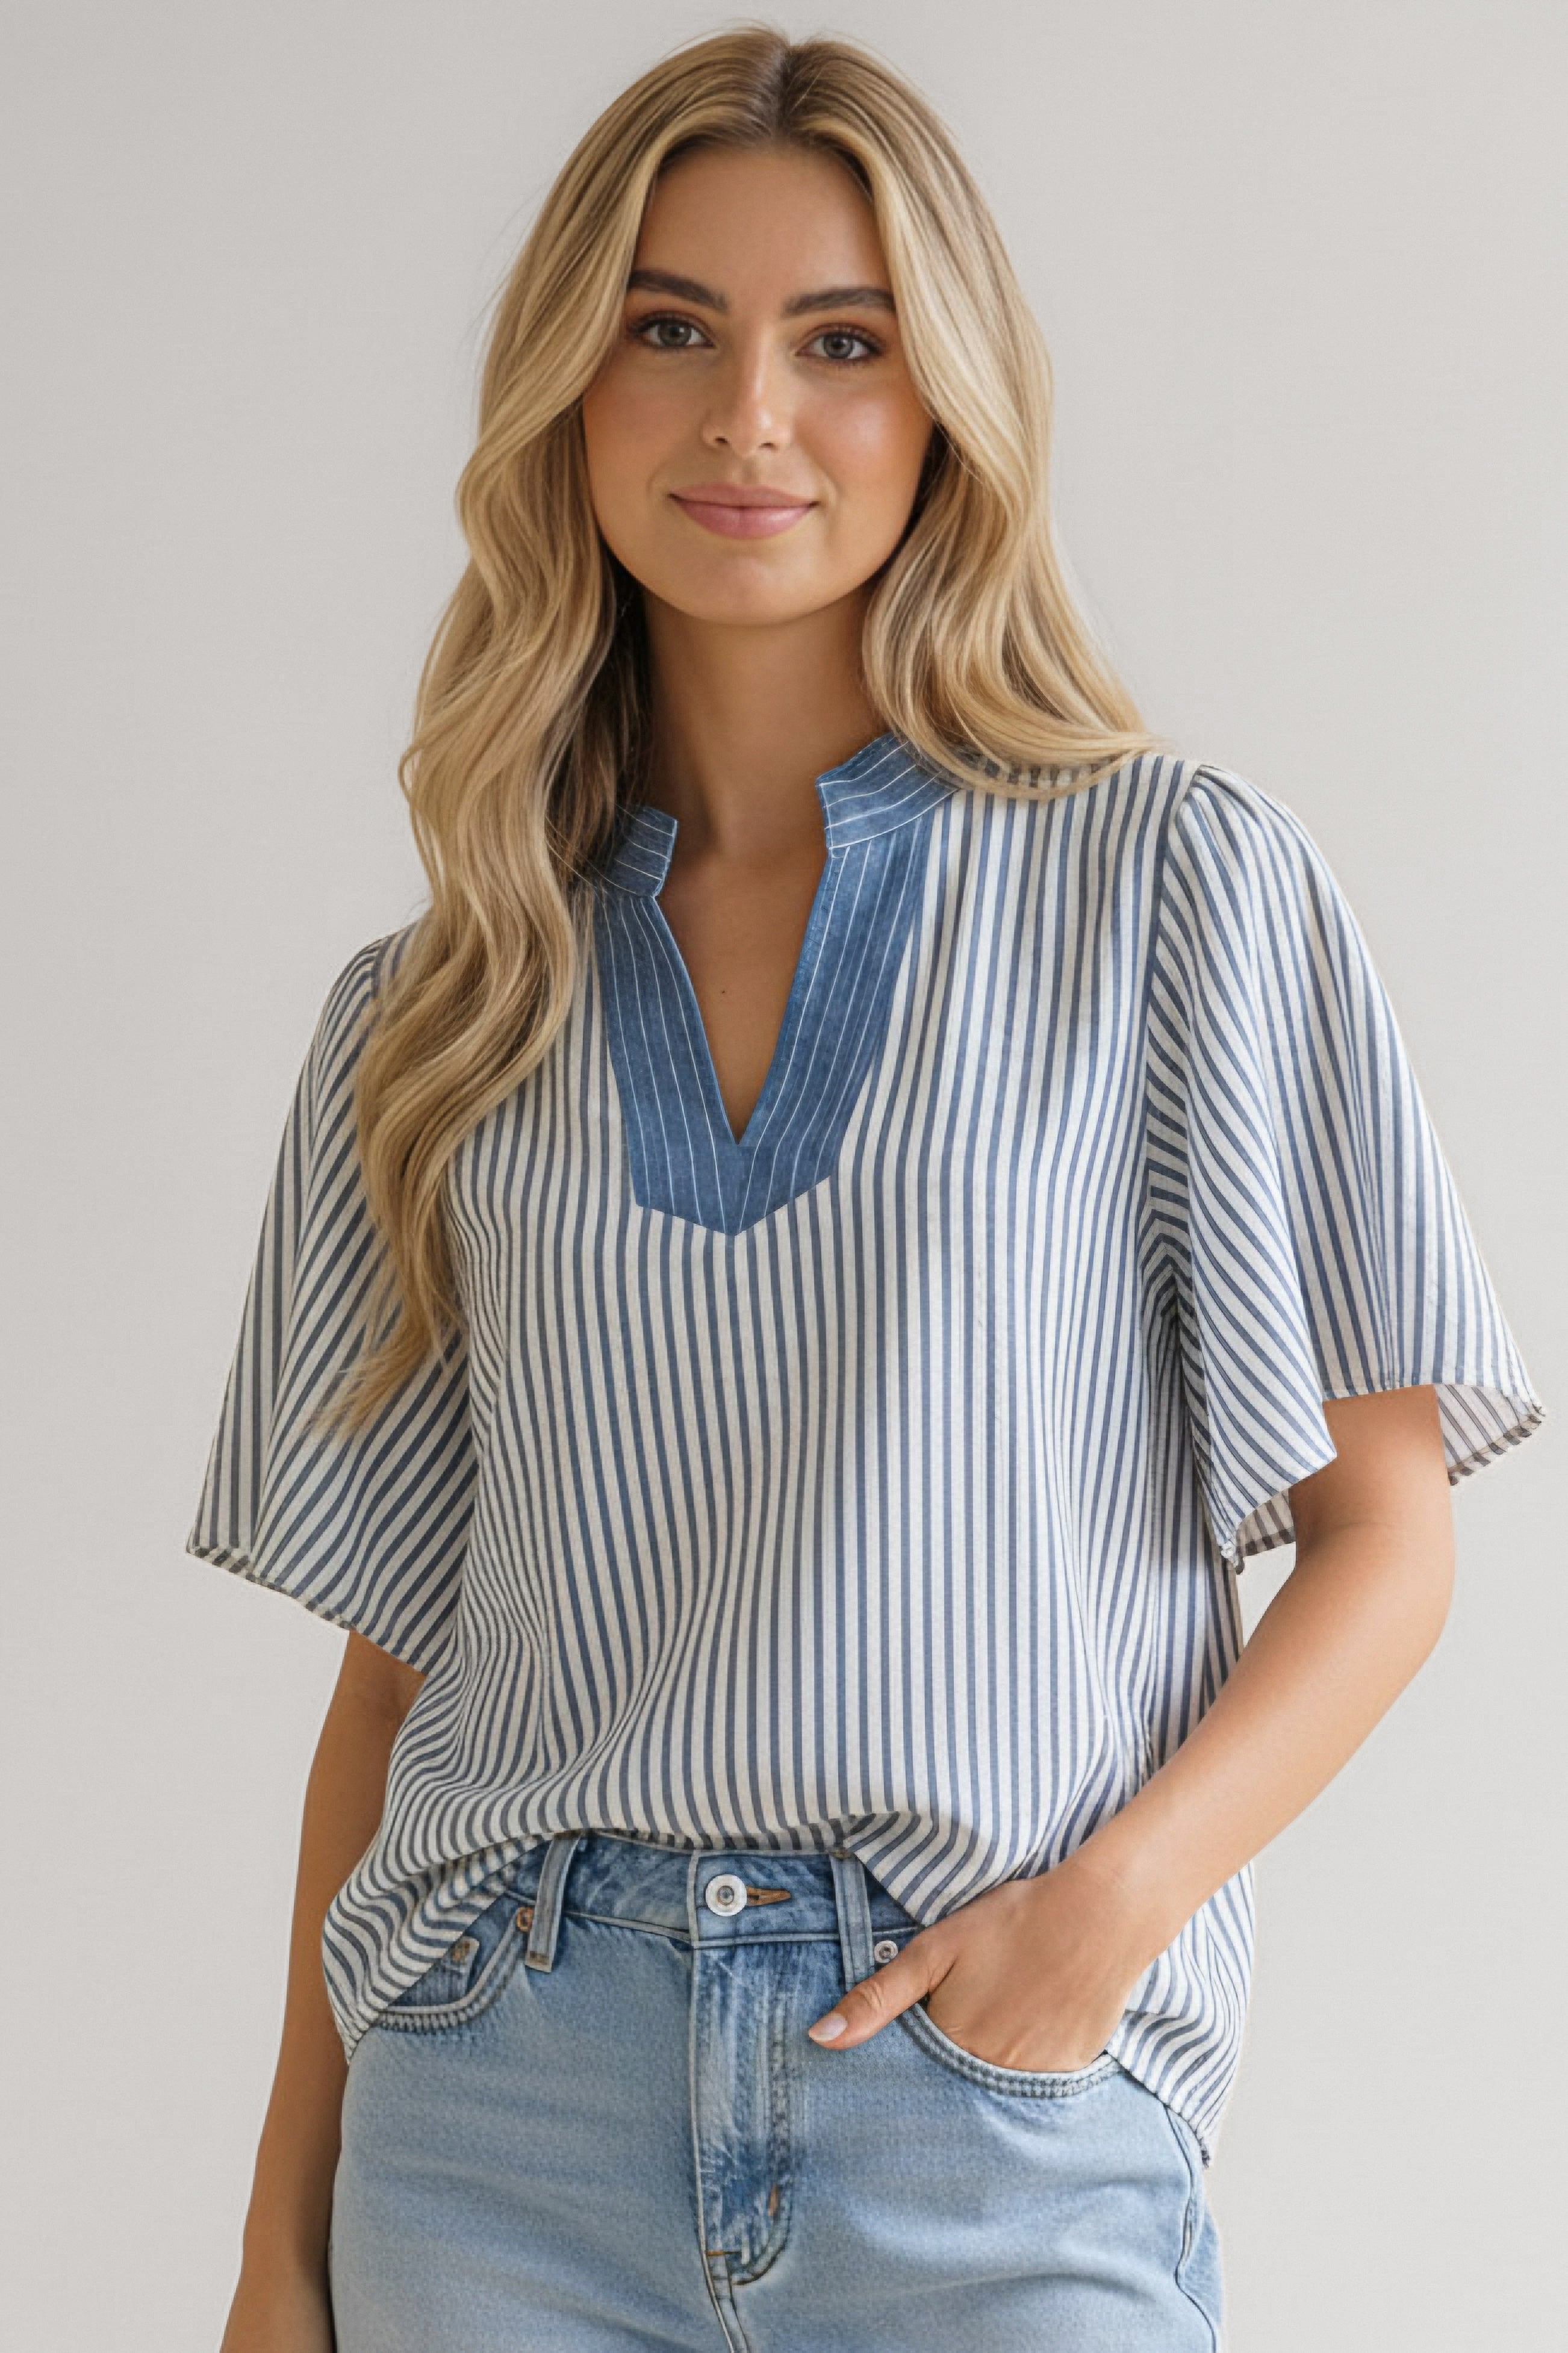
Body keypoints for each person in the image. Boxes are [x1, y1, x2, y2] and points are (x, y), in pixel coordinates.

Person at [186, 25, 1546, 2353]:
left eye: (842, 342)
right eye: (668, 330)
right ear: (566, 389)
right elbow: (385, 1683)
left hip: (985, 2114)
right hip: (496, 2113)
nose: (748, 421)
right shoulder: (430, 1008)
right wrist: (274, 2243)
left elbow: (1382, 1535)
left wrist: (1095, 1925)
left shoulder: (1174, 895)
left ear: (946, 407)